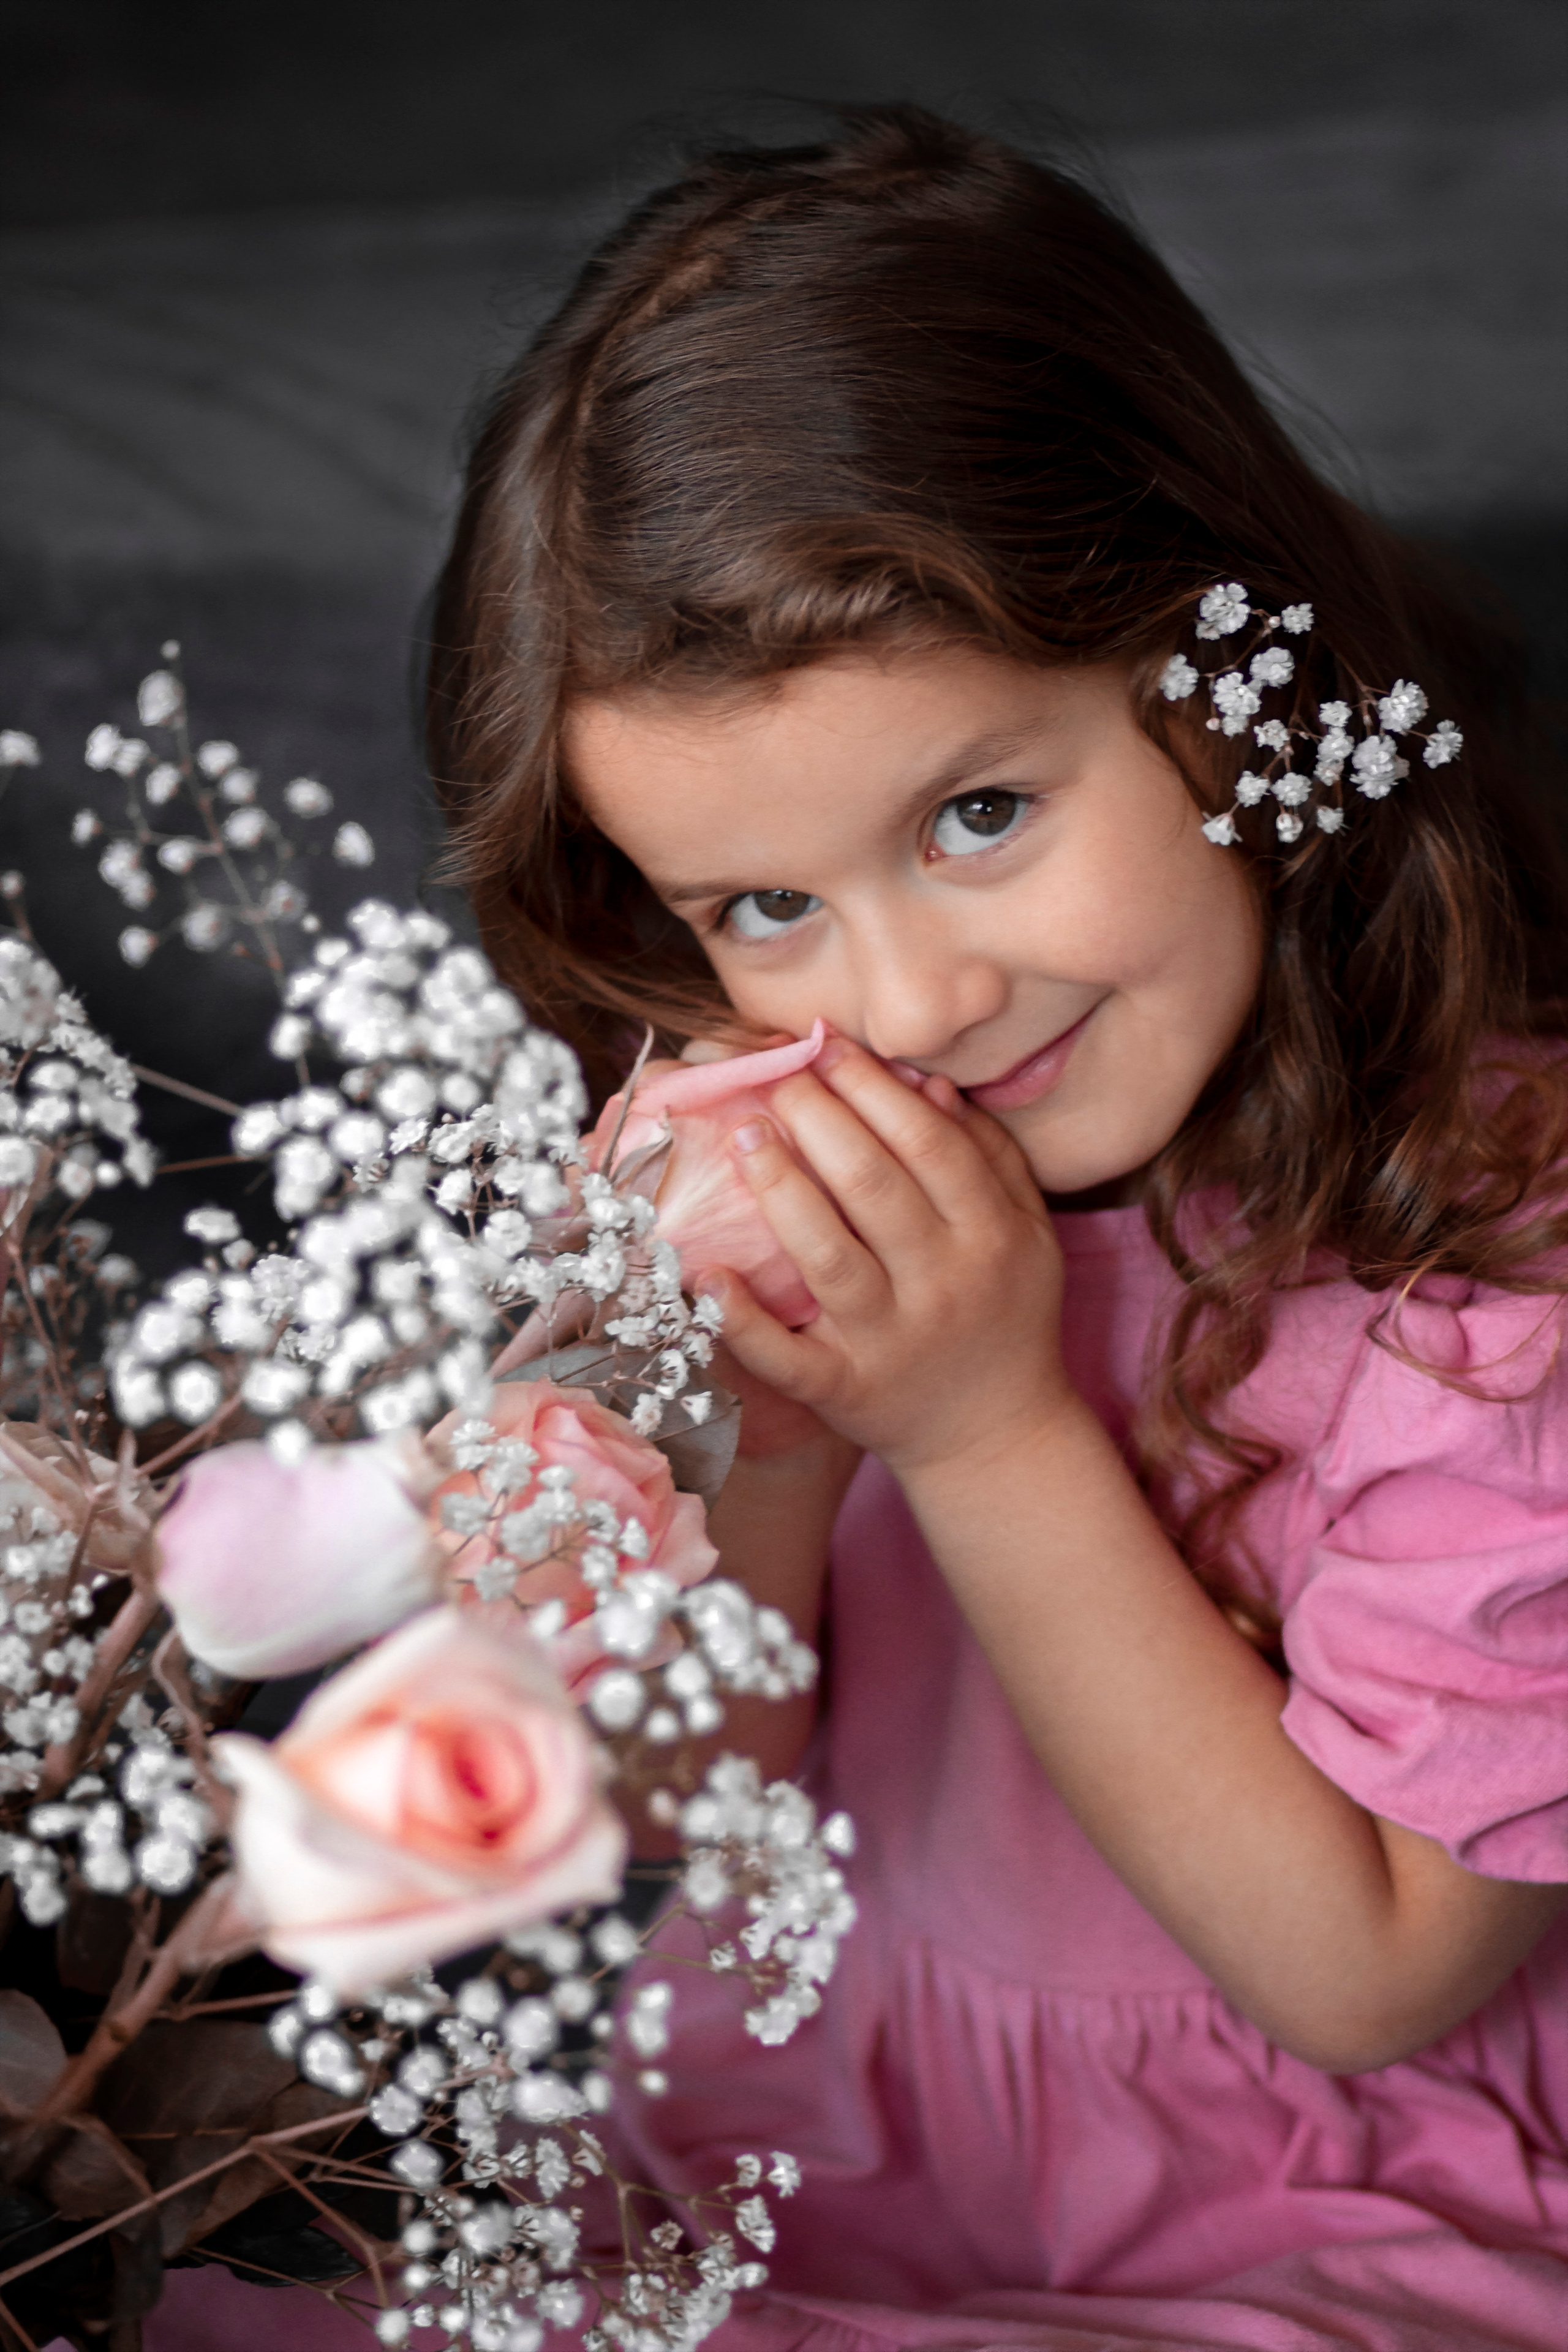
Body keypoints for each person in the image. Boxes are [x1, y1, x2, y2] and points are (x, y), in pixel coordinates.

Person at [419, 100, 1568, 2351]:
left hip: (1327, 2192)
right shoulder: (770, 1167)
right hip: (824, 2132)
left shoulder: (1491, 1256)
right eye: (766, 905)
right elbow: (673, 1815)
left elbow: (1367, 1974)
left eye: (976, 810)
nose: (912, 1001)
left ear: (1230, 682)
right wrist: (764, 1440)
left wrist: (976, 1426)